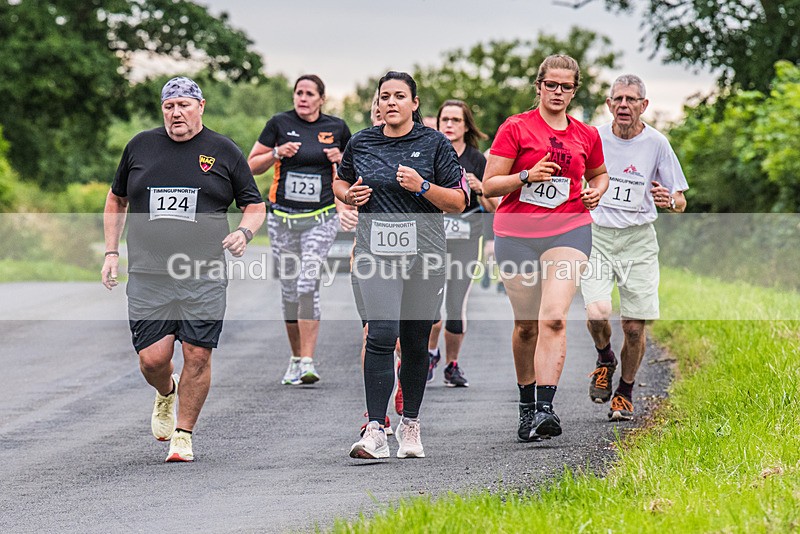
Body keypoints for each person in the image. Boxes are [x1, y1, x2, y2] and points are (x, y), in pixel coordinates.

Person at [101, 76, 266, 462]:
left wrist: (244, 231)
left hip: (203, 275)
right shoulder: (140, 146)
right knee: (153, 359)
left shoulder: (223, 151)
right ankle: (165, 392)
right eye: (169, 106)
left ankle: (183, 434)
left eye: (184, 105)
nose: (176, 112)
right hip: (149, 275)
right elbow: (116, 198)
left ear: (201, 106)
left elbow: (254, 205)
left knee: (198, 354)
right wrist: (111, 252)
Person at [334, 71, 467, 459]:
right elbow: (340, 183)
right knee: (380, 332)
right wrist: (350, 194)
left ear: (414, 102)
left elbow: (459, 201)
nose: (391, 102)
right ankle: (376, 428)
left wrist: (422, 186)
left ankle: (411, 425)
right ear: (377, 103)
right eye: (385, 96)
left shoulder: (435, 144)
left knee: (413, 342)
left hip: (424, 256)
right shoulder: (362, 142)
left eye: (399, 96)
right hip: (376, 254)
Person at [482, 55, 609, 443]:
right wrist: (525, 176)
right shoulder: (516, 127)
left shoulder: (586, 134)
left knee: (553, 317)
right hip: (517, 233)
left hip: (568, 230)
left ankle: (545, 408)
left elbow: (600, 174)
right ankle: (525, 406)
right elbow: (489, 186)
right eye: (551, 85)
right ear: (538, 86)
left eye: (565, 86)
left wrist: (595, 192)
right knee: (526, 326)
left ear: (575, 90)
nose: (557, 92)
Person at [582, 74, 688, 421]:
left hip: (639, 239)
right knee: (597, 314)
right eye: (618, 99)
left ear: (644, 105)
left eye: (631, 99)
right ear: (609, 104)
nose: (624, 105)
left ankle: (625, 392)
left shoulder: (657, 143)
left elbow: (680, 200)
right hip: (597, 235)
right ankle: (604, 358)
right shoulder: (594, 137)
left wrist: (668, 200)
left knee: (633, 326)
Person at [248, 75, 351, 386]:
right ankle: (295, 359)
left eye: (309, 93)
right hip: (283, 218)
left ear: (321, 98)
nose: (302, 98)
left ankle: (308, 360)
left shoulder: (337, 128)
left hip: (321, 216)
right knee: (290, 290)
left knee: (307, 281)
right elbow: (251, 164)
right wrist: (277, 153)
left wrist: (342, 158)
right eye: (298, 93)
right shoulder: (279, 123)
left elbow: (360, 169)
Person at [426, 99, 496, 387]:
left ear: (466, 126)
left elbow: (495, 206)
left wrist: (480, 188)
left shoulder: (478, 160)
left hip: (466, 241)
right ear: (438, 123)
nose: (450, 125)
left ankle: (452, 365)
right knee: (431, 304)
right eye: (446, 120)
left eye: (456, 120)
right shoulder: (428, 154)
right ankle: (430, 353)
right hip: (432, 240)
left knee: (455, 304)